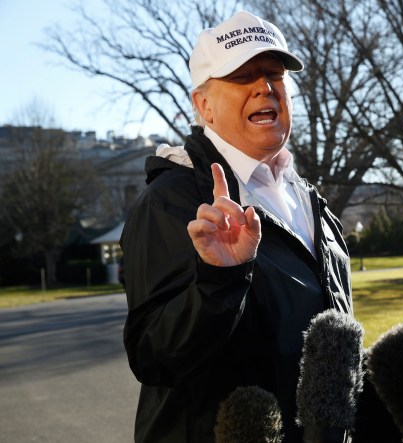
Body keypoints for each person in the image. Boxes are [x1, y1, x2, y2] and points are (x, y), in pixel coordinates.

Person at [120, 11, 353, 443]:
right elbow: (154, 356)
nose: (264, 87)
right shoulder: (171, 202)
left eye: (274, 74)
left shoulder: (307, 199)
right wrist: (219, 281)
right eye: (243, 76)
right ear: (203, 104)